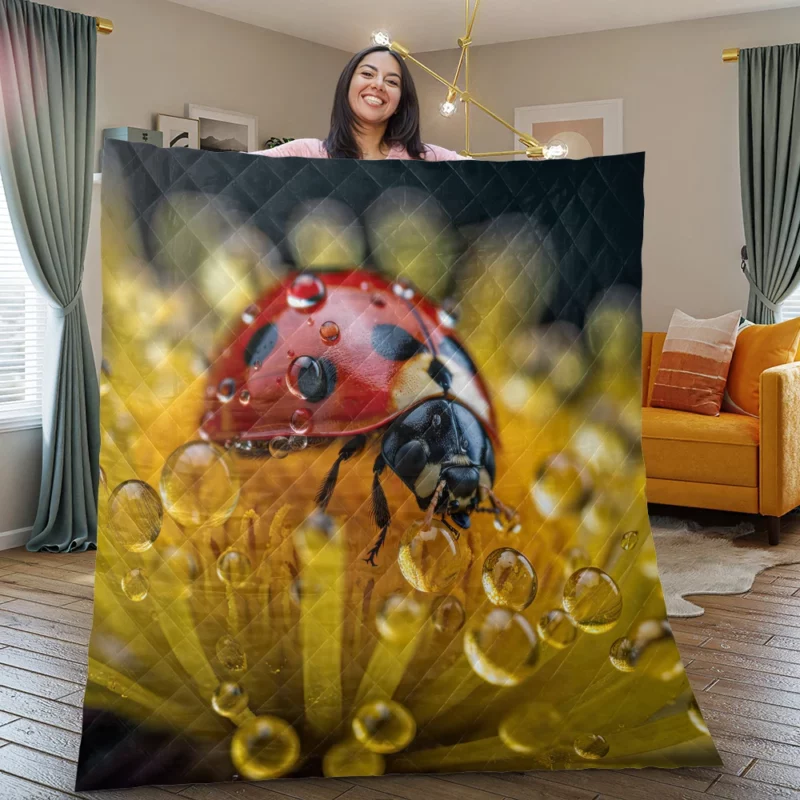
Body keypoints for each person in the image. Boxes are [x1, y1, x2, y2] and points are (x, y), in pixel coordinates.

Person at [254, 45, 469, 162]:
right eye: (367, 73)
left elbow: (491, 179)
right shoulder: (303, 153)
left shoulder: (430, 158)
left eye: (392, 81)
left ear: (401, 102)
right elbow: (231, 172)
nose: (378, 85)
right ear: (347, 85)